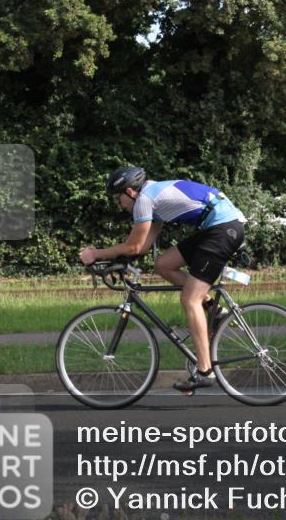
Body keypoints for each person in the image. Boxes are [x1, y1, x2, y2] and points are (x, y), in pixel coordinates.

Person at [79, 167, 246, 392]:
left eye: (119, 199)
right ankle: (213, 310)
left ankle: (205, 371)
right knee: (163, 265)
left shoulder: (144, 200)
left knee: (190, 299)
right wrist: (117, 260)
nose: (119, 205)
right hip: (220, 227)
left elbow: (133, 246)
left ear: (130, 192)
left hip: (223, 229)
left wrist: (96, 254)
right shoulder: (152, 197)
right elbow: (142, 247)